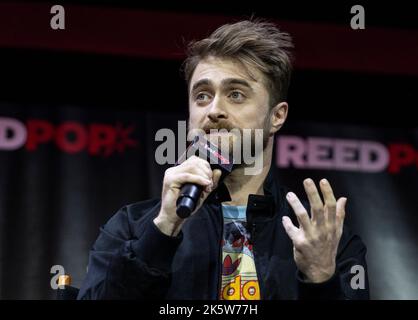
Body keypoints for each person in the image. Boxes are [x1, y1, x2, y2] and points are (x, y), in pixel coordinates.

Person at [77, 20, 369, 300]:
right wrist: (163, 230)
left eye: (236, 94)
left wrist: (320, 278)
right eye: (202, 96)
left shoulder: (325, 241)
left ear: (277, 116)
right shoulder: (132, 228)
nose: (214, 109)